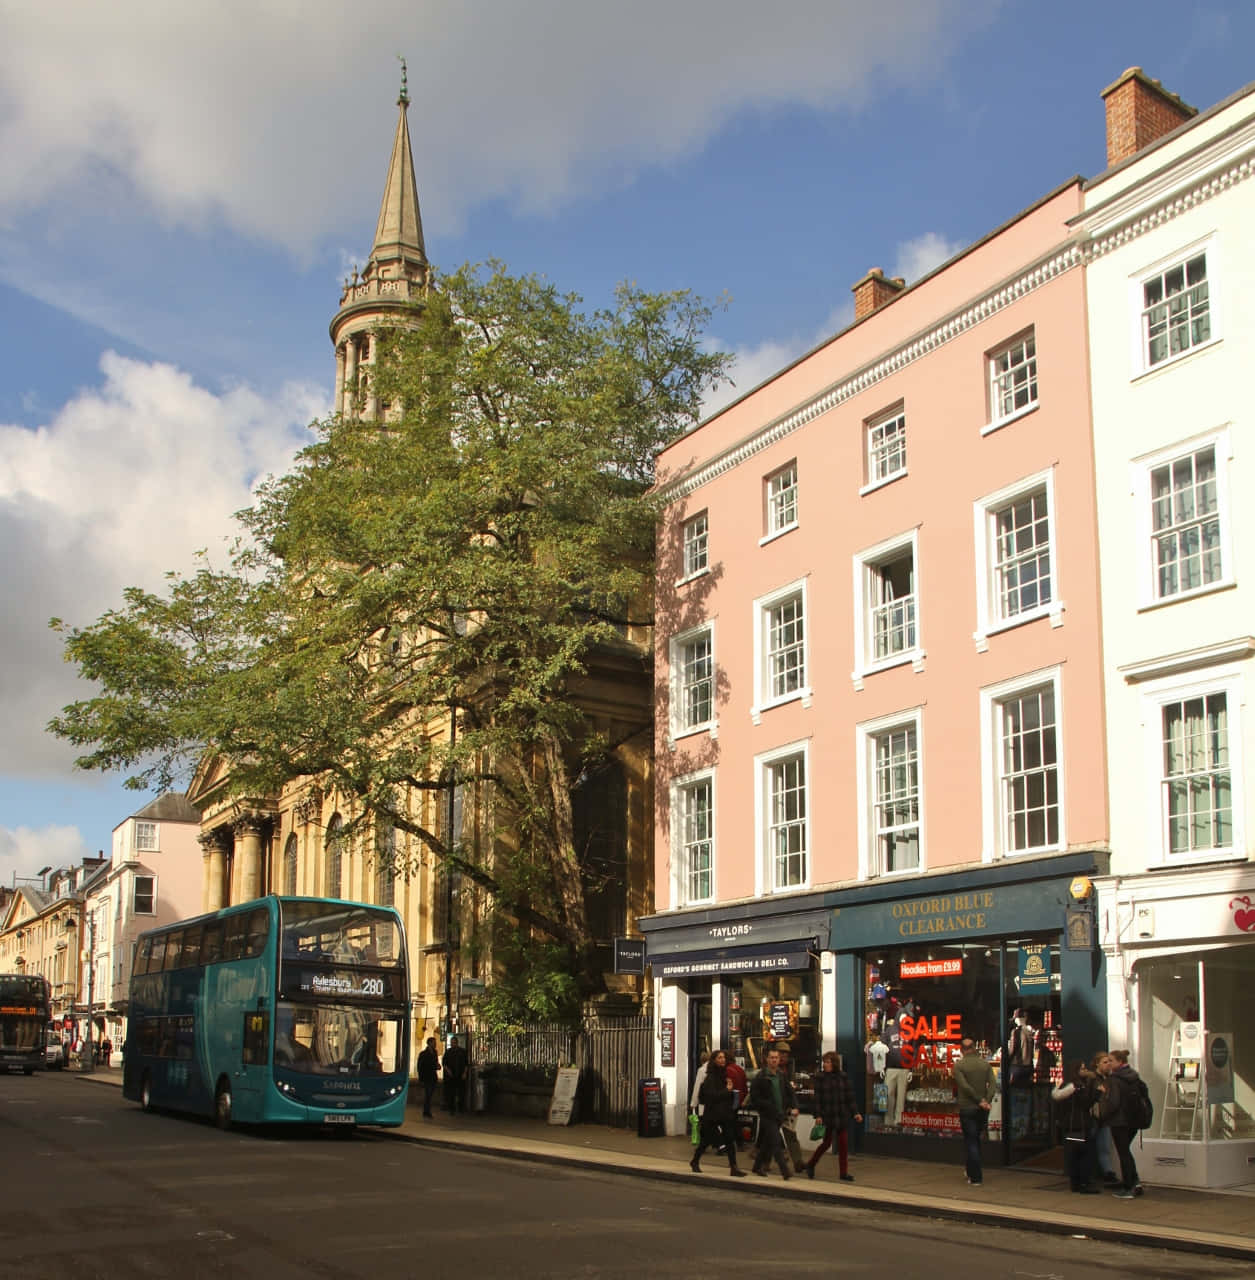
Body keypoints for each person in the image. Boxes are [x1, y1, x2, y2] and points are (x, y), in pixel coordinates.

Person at [805, 1050, 862, 1182]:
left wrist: (856, 1113)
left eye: (828, 1062)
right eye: (824, 1062)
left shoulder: (843, 1077)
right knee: (826, 1143)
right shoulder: (820, 1078)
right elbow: (817, 1099)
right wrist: (818, 1115)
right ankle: (811, 1164)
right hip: (828, 1115)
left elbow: (850, 1097)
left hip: (841, 1114)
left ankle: (843, 1172)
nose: (825, 1064)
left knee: (843, 1144)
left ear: (834, 1063)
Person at [1094, 1050, 1144, 1199]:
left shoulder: (1115, 1079)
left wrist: (1104, 1113)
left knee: (1123, 1153)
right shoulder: (1133, 1076)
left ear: (1119, 1062)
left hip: (1119, 1121)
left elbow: (1113, 1102)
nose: (1109, 1063)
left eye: (1111, 1060)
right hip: (1133, 1120)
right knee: (1125, 1151)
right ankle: (1135, 1183)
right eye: (1107, 1061)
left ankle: (1129, 1186)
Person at [689, 1049, 747, 1177]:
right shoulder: (710, 1077)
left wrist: (731, 1093)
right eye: (719, 1058)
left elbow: (725, 1094)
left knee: (729, 1140)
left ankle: (734, 1167)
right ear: (714, 1060)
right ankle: (695, 1160)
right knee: (706, 1141)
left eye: (724, 1058)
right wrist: (727, 1090)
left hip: (725, 1113)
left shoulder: (725, 1075)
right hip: (712, 1115)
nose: (723, 1060)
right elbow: (712, 1096)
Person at [952, 1037, 996, 1186]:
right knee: (976, 1139)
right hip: (982, 1109)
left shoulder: (959, 1066)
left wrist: (979, 1100)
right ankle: (970, 1171)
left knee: (971, 1142)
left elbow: (964, 1087)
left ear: (961, 1050)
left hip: (967, 1107)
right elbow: (993, 1084)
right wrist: (986, 1100)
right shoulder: (985, 1065)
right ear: (974, 1048)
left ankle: (976, 1177)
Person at [1052, 1060, 1101, 1194]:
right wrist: (1096, 1094)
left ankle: (1078, 1183)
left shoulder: (1078, 1085)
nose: (1085, 1071)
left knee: (1077, 1155)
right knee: (1080, 1155)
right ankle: (1081, 1184)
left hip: (1075, 1125)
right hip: (1077, 1125)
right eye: (1082, 1069)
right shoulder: (1075, 1086)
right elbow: (1083, 1103)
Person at [749, 1048, 798, 1179]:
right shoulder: (761, 1076)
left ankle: (756, 1166)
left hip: (779, 1115)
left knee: (767, 1143)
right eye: (772, 1057)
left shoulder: (781, 1076)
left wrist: (794, 1106)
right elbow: (754, 1097)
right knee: (776, 1142)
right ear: (767, 1059)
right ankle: (785, 1171)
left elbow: (789, 1092)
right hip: (767, 1115)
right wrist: (766, 1106)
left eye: (776, 1058)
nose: (774, 1060)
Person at [773, 1042, 807, 1172]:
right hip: (774, 1109)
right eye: (781, 1053)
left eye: (786, 1054)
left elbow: (790, 1091)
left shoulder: (789, 1068)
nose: (783, 1056)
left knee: (791, 1136)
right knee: (769, 1138)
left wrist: (795, 1106)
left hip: (786, 1109)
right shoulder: (771, 1070)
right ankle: (762, 1163)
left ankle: (798, 1162)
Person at [442, 1035, 469, 1114]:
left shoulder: (462, 1052)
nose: (453, 1044)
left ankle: (460, 1108)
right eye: (452, 1043)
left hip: (460, 1075)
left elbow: (466, 1064)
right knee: (451, 1093)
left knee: (461, 1093)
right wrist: (448, 1071)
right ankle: (452, 1109)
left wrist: (464, 1073)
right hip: (451, 1076)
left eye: (454, 1043)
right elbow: (444, 1063)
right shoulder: (448, 1052)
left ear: (457, 1043)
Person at [417, 1036, 441, 1118]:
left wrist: (437, 1066)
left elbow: (435, 1063)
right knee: (428, 1094)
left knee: (430, 1095)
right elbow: (420, 1066)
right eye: (434, 1042)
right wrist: (421, 1077)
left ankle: (427, 1110)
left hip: (433, 1076)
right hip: (427, 1077)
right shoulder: (423, 1054)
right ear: (429, 1043)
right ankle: (426, 1111)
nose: (435, 1044)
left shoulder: (435, 1052)